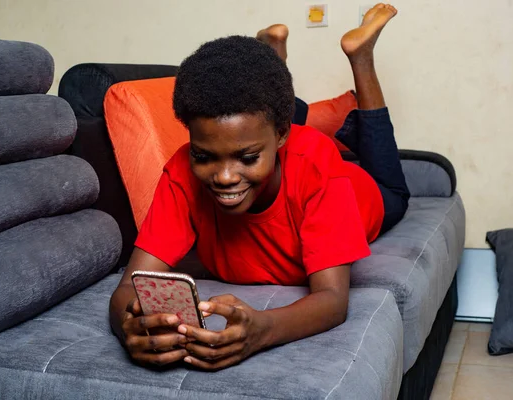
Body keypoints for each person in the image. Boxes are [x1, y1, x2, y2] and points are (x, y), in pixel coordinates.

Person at [109, 3, 409, 371]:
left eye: (245, 158)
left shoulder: (318, 167)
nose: (224, 177)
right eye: (204, 156)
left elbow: (332, 300)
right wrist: (130, 328)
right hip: (282, 151)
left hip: (362, 192)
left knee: (395, 190)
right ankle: (275, 56)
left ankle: (361, 56)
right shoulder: (181, 171)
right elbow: (128, 287)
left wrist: (262, 330)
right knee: (262, 125)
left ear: (282, 136)